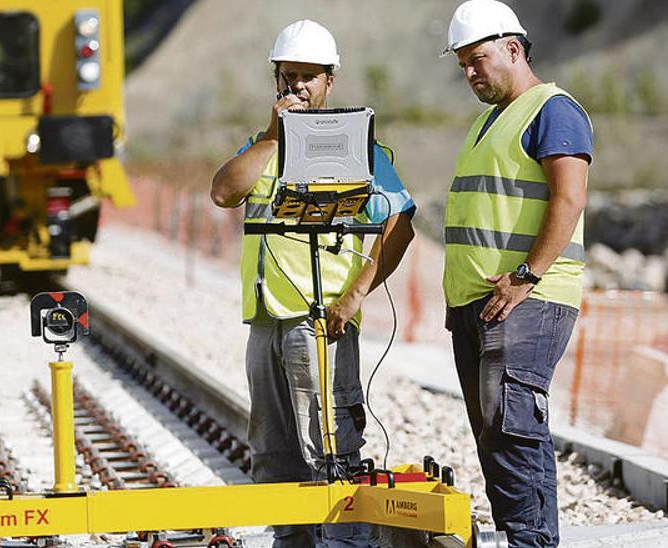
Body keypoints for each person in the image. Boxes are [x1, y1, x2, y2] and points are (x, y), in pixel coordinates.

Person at [210, 19, 416, 548]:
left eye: (308, 77)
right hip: (264, 322)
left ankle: (346, 542)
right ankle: (292, 539)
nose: (297, 87)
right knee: (272, 450)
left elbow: (400, 222)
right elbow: (223, 192)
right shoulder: (261, 145)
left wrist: (356, 294)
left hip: (319, 321)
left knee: (327, 447)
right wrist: (275, 137)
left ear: (330, 82)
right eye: (288, 77)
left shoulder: (356, 149)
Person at [439, 1, 593, 546]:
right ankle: (517, 536)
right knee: (493, 433)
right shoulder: (488, 121)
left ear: (513, 47)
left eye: (476, 59)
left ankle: (532, 542)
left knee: (513, 427)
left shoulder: (554, 110)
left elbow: (568, 197)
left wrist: (527, 274)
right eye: (462, 65)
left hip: (527, 298)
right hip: (478, 304)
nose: (470, 73)